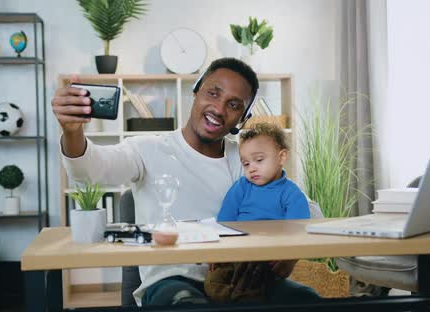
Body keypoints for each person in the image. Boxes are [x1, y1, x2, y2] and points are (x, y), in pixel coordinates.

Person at [52, 57, 317, 306]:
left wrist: (289, 248)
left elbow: (308, 210)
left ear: (243, 119)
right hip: (172, 280)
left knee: (308, 299)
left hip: (244, 280)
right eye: (213, 93)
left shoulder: (248, 160)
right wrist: (72, 132)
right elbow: (88, 172)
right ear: (196, 91)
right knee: (187, 304)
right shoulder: (148, 149)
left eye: (234, 105)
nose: (219, 108)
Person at [204, 123, 316, 303]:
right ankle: (233, 297)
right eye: (246, 163)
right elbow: (224, 221)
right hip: (234, 254)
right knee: (213, 284)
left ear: (282, 157)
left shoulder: (291, 193)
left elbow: (298, 231)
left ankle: (240, 298)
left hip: (266, 258)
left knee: (254, 286)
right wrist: (217, 252)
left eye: (259, 160)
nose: (252, 168)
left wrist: (288, 258)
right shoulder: (240, 187)